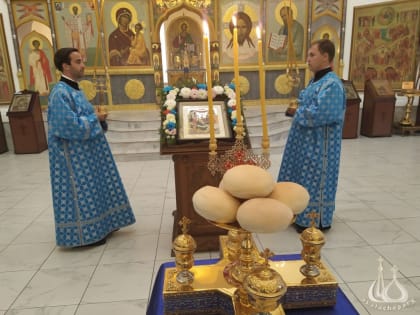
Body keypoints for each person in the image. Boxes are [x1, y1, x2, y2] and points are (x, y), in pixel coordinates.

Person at [47, 47, 136, 247]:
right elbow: (66, 125)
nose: (83, 65)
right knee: (82, 191)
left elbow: (79, 116)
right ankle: (85, 234)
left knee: (96, 186)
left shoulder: (73, 89)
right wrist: (94, 118)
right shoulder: (59, 92)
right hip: (72, 157)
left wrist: (94, 118)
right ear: (65, 66)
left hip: (87, 153)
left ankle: (104, 224)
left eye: (82, 61)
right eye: (78, 61)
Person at [277, 39, 346, 232]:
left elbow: (322, 114)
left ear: (326, 57)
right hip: (304, 143)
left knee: (314, 179)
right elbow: (306, 102)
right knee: (300, 175)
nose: (307, 59)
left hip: (319, 146)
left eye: (312, 55)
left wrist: (296, 112)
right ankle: (298, 213)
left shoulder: (332, 84)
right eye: (308, 55)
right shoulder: (315, 80)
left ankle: (314, 219)